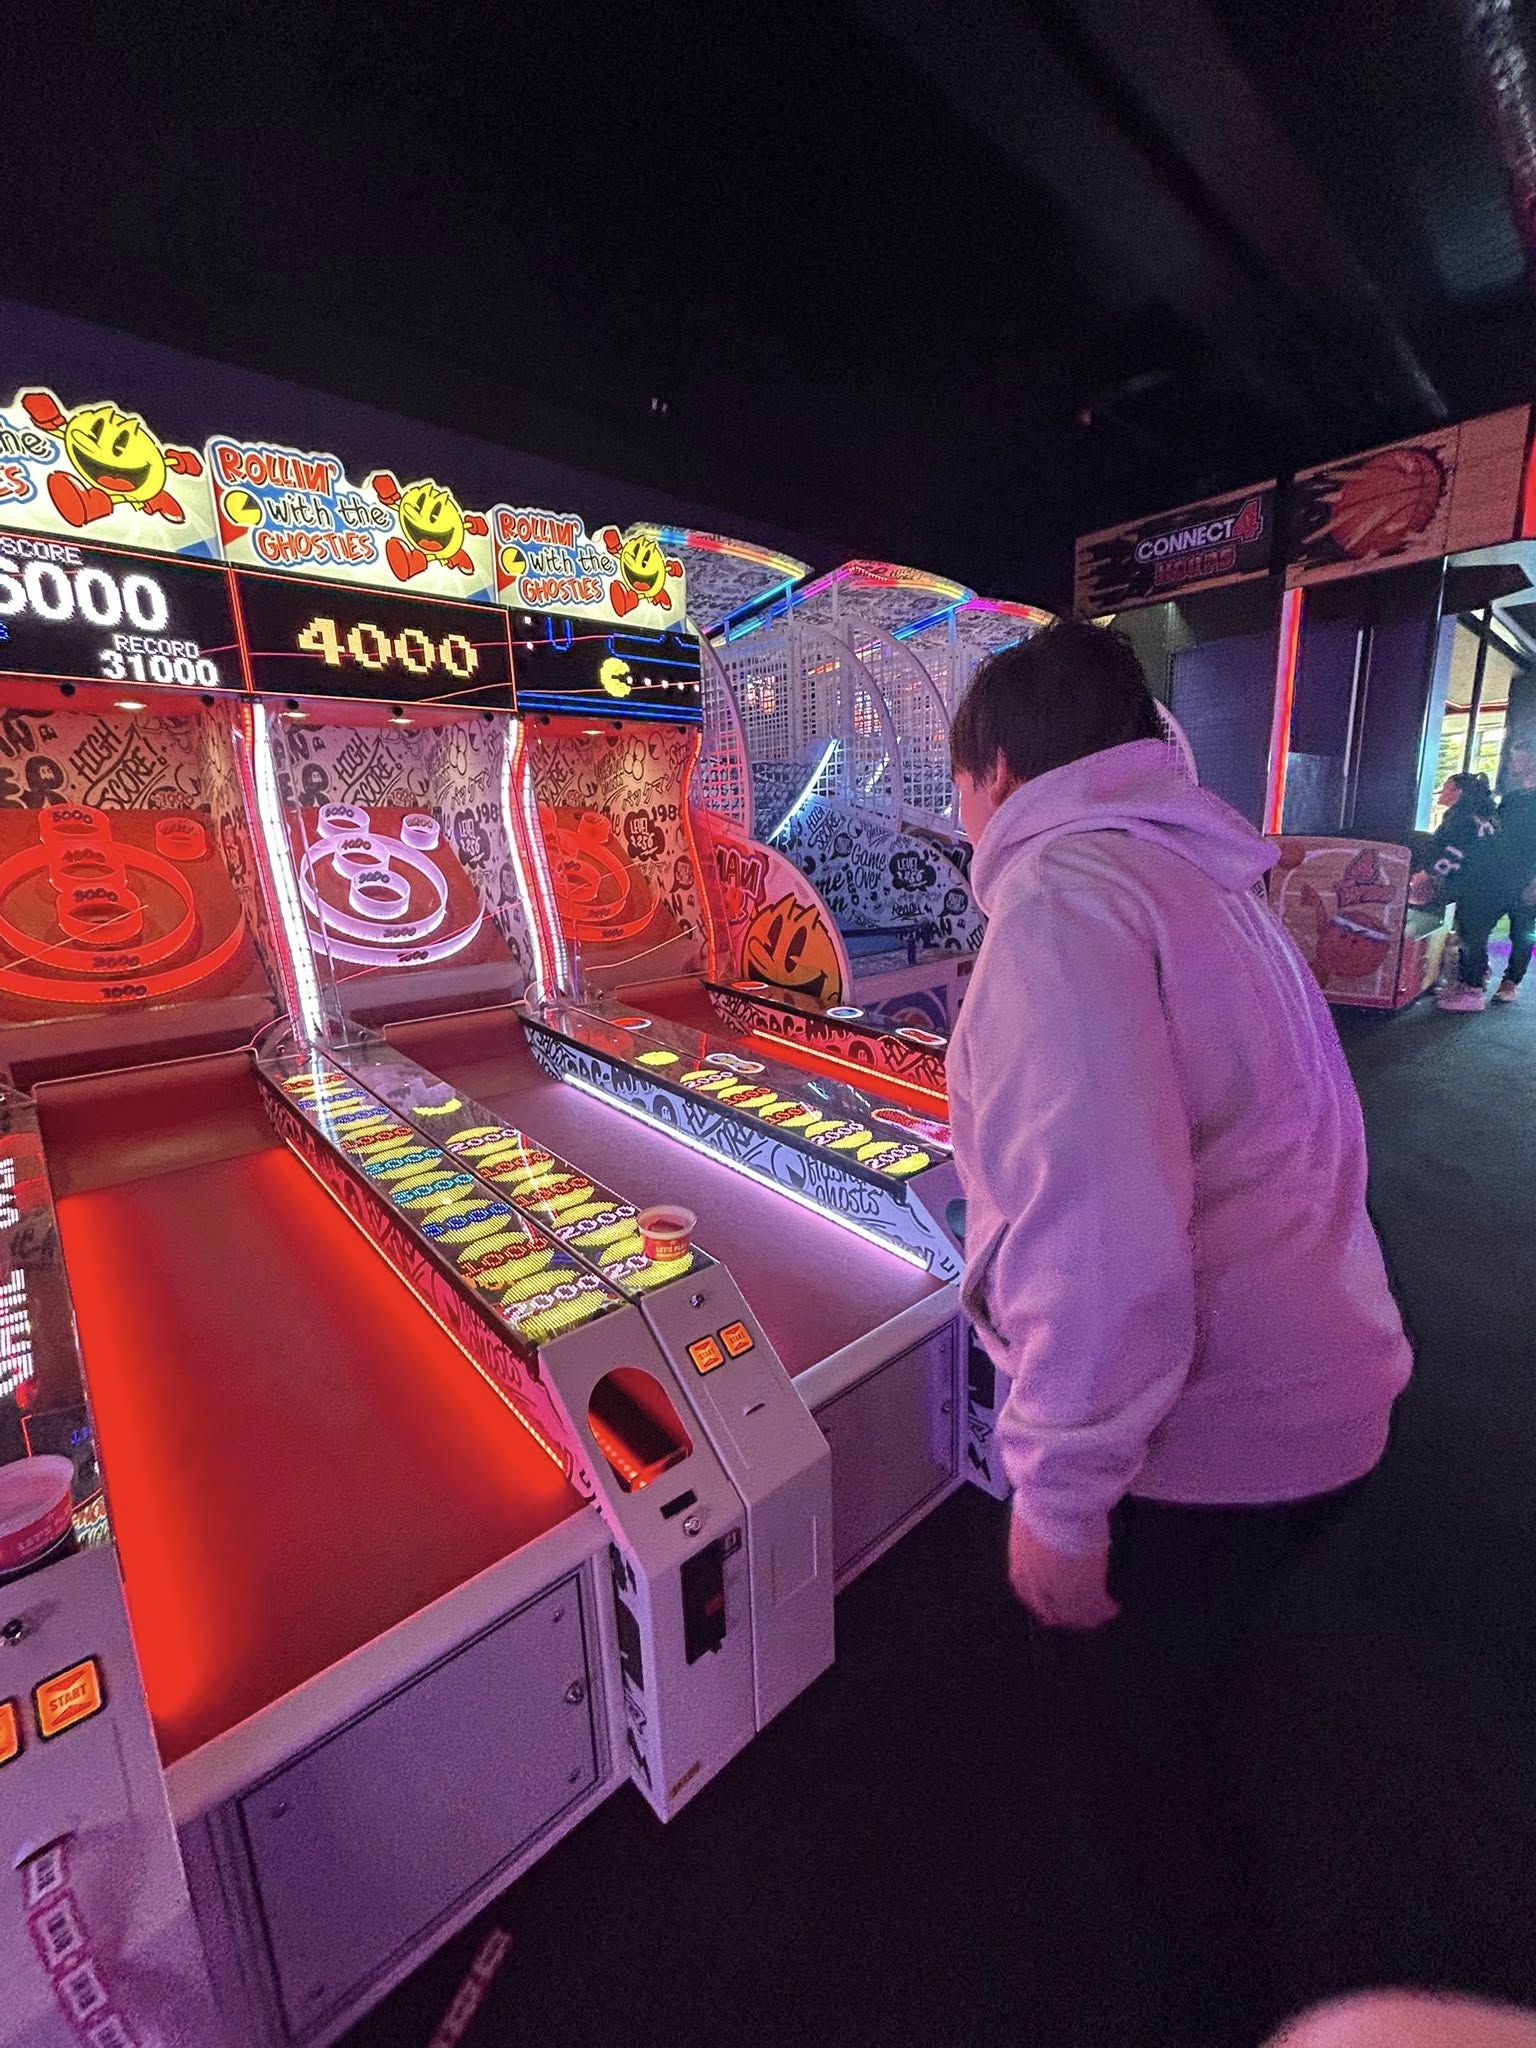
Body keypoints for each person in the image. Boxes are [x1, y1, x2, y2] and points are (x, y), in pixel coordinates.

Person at [947, 618, 1412, 2035]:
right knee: (1198, 1691)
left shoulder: (1062, 902)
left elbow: (1098, 1236)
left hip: (1211, 1442)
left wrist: (1061, 1493)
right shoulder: (1198, 874)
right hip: (1326, 1384)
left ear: (999, 770)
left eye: (958, 785)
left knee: (1143, 1787)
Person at [1438, 737, 1536, 1012]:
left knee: (1522, 931)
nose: (1512, 763)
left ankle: (1510, 983)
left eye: (1518, 757)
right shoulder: (1513, 797)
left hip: (1527, 875)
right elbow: (1495, 833)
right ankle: (1475, 980)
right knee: (1473, 927)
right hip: (1496, 875)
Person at [1409, 769, 1498, 907]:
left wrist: (1427, 875)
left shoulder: (1461, 820)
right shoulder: (1482, 820)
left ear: (1458, 792)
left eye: (1446, 787)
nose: (1441, 792)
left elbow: (1453, 852)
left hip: (1455, 891)